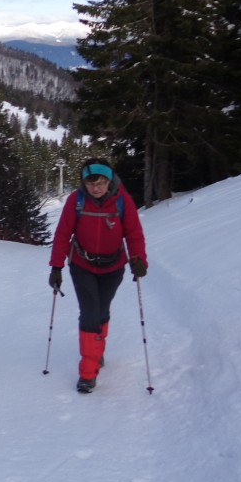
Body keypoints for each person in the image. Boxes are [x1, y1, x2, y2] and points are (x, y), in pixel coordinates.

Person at [48, 158, 148, 393]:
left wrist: (138, 259)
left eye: (101, 183)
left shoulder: (123, 201)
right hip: (82, 264)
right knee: (90, 311)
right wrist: (56, 266)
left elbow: (134, 233)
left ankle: (96, 350)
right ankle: (88, 372)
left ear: (109, 181)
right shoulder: (77, 200)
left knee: (102, 310)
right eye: (91, 183)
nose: (96, 188)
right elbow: (63, 233)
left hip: (113, 267)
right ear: (84, 183)